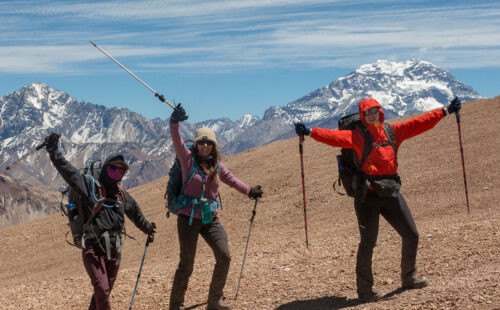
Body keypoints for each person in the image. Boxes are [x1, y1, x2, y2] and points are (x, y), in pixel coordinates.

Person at [294, 97, 462, 302]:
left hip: (391, 193)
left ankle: (409, 279)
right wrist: (310, 132)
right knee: (368, 243)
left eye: (375, 111)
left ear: (380, 112)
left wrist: (445, 111)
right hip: (367, 197)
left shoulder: (392, 132)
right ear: (363, 116)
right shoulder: (357, 136)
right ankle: (365, 292)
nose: (372, 115)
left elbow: (419, 123)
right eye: (368, 112)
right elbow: (334, 137)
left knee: (411, 234)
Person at [44, 133, 156, 310]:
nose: (117, 173)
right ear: (105, 169)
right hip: (93, 248)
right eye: (113, 169)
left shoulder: (121, 195)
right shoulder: (90, 187)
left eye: (121, 171)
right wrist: (53, 151)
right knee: (102, 289)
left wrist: (148, 229)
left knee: (103, 291)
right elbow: (69, 173)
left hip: (114, 250)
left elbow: (135, 213)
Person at [168, 104, 263, 310]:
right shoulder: (187, 160)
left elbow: (231, 180)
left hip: (209, 218)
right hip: (188, 218)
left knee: (224, 256)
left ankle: (215, 301)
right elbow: (176, 140)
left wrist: (249, 191)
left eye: (208, 143)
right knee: (186, 264)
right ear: (196, 144)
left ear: (213, 145)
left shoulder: (216, 165)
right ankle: (176, 305)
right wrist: (174, 121)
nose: (204, 146)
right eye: (201, 142)